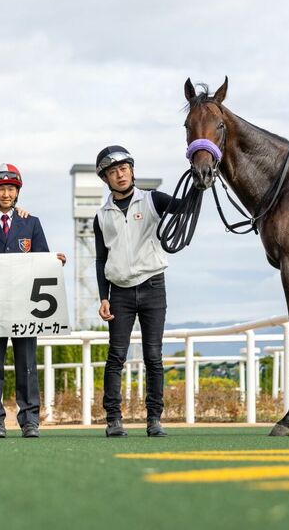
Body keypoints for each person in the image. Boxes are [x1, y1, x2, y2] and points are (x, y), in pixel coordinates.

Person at [0, 163, 65, 438]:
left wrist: (56, 262)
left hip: (25, 307)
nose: (6, 194)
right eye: (1, 189)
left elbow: (43, 258)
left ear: (17, 191)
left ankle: (30, 419)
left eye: (11, 188)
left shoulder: (31, 223)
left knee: (27, 364)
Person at [95, 145, 182, 437]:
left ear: (132, 169)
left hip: (153, 286)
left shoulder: (152, 200)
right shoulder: (102, 215)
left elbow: (184, 207)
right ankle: (113, 420)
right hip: (118, 291)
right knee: (116, 356)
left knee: (153, 356)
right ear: (105, 179)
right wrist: (103, 296)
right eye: (112, 172)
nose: (119, 175)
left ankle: (154, 419)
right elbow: (100, 258)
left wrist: (198, 180)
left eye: (123, 169)